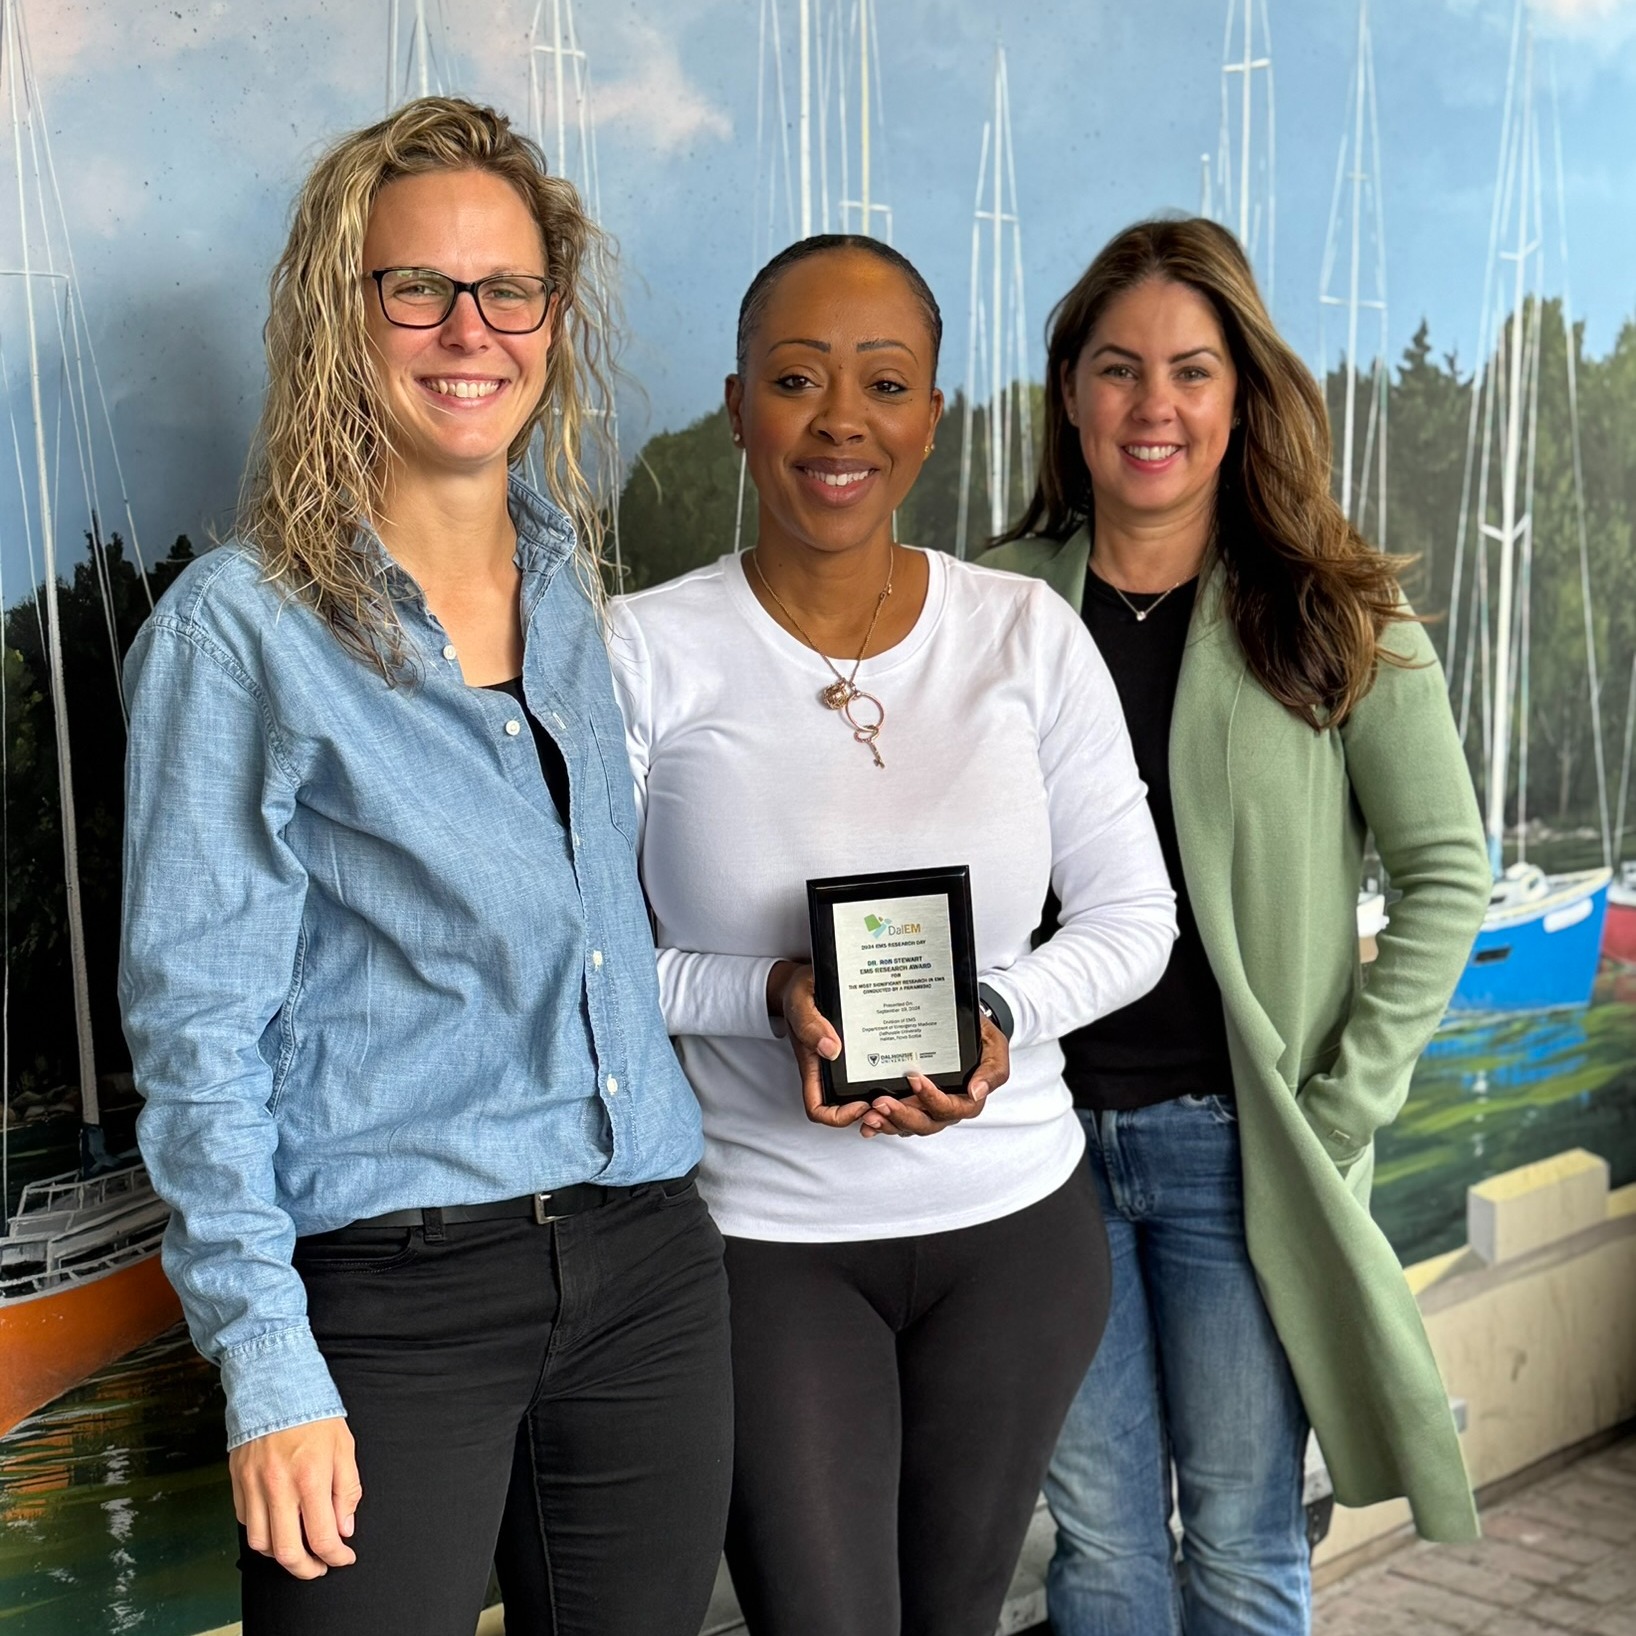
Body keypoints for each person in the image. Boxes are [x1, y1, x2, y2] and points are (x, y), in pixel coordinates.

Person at [119, 98, 731, 1636]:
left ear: (553, 314)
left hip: (645, 1258)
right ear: (345, 313)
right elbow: (198, 1039)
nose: (470, 331)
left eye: (506, 290)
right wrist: (268, 1365)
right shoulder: (237, 632)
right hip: (394, 1305)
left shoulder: (567, 584)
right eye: (418, 288)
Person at [604, 233, 1178, 1636]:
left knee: (959, 1615)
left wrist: (997, 1016)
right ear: (738, 408)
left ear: (932, 414)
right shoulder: (640, 650)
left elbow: (1133, 917)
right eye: (796, 379)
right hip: (765, 1242)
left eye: (884, 381)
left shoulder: (1025, 636)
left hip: (1016, 1233)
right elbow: (591, 958)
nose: (838, 419)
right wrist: (768, 993)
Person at [983, 216, 1490, 1636]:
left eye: (1192, 372)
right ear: (1070, 389)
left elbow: (1449, 870)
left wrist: (1338, 1108)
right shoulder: (989, 603)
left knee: (1246, 1538)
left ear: (1241, 393)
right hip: (1036, 1149)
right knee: (1099, 1545)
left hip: (1241, 1152)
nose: (1155, 407)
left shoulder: (1337, 611)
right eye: (1120, 368)